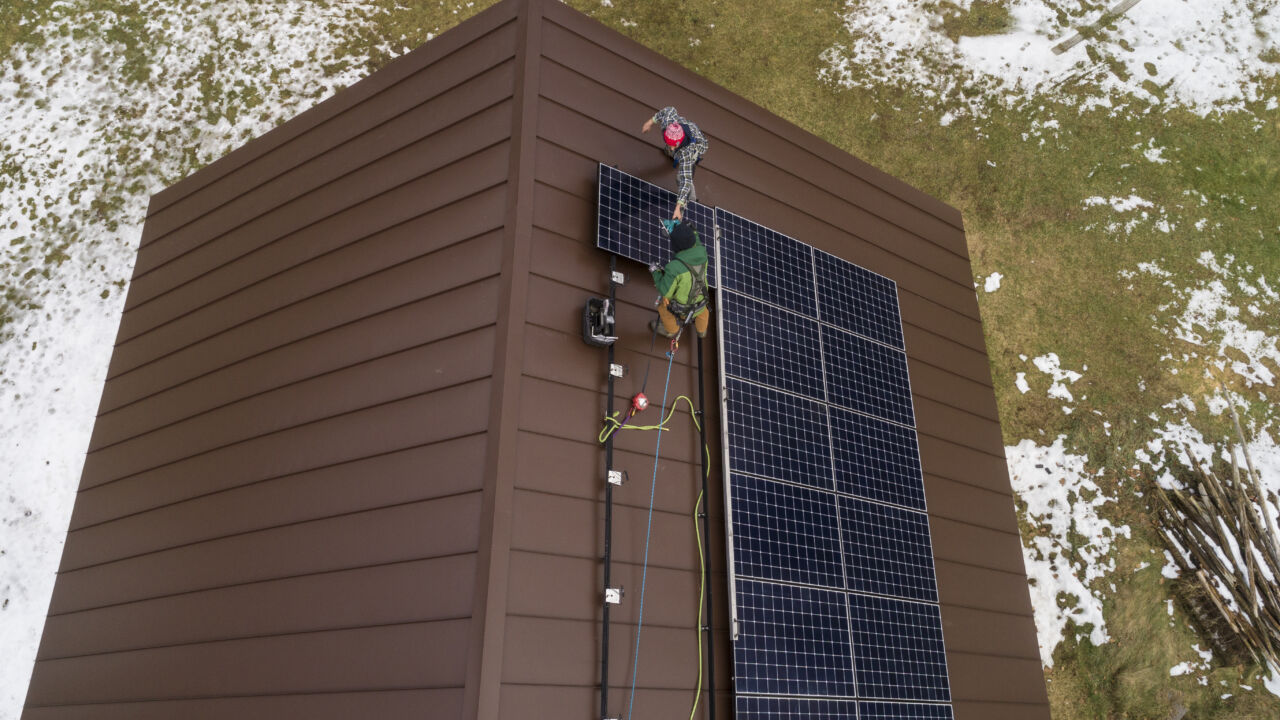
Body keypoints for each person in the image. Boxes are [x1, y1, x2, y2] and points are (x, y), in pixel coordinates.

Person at [641, 106, 708, 221]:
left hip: (696, 146)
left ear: (679, 142)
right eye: (669, 143)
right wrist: (650, 122)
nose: (672, 148)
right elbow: (669, 110)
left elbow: (685, 181)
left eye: (673, 145)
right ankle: (672, 153)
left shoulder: (686, 153)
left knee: (680, 178)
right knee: (670, 151)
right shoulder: (668, 123)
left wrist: (678, 206)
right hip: (683, 134)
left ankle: (690, 201)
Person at [648, 220, 711, 339]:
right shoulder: (703, 253)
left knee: (663, 305)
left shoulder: (674, 268)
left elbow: (665, 291)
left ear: (676, 247)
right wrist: (692, 230)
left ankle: (671, 330)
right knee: (703, 312)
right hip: (702, 302)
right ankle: (701, 331)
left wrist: (655, 271)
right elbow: (695, 242)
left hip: (682, 308)